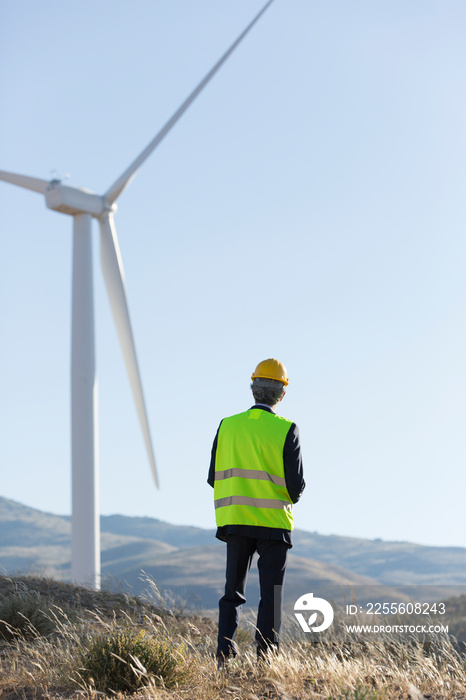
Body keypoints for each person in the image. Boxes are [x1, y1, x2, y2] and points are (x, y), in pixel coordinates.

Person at [208, 358, 305, 666]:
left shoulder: (227, 425)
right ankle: (266, 657)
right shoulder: (287, 430)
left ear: (253, 389)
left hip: (236, 521)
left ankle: (224, 654)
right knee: (271, 595)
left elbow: (213, 476)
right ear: (282, 394)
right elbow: (296, 487)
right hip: (274, 525)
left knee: (232, 591)